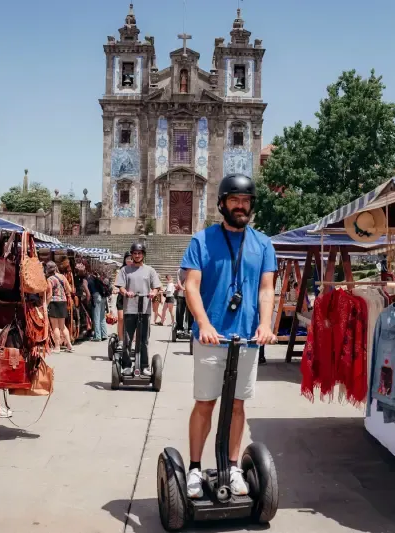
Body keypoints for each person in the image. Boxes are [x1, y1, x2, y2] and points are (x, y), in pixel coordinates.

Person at [181, 173, 277, 499]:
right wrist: (204, 324)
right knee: (205, 403)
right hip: (212, 338)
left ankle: (233, 466)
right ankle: (194, 468)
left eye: (246, 201)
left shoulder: (263, 244)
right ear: (222, 203)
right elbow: (190, 286)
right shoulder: (202, 241)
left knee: (237, 406)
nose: (241, 206)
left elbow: (267, 290)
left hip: (247, 339)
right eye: (235, 200)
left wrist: (265, 325)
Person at [115, 242, 161, 376]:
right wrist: (126, 292)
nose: (136, 255)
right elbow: (121, 286)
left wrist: (153, 292)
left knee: (143, 340)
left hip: (145, 309)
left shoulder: (150, 270)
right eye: (134, 253)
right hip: (130, 309)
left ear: (143, 255)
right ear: (132, 254)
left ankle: (144, 366)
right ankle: (127, 365)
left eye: (139, 253)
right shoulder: (125, 270)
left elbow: (156, 286)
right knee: (128, 339)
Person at [46, 261, 73, 353]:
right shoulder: (62, 276)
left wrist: (46, 304)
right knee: (63, 326)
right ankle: (69, 345)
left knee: (55, 327)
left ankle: (57, 347)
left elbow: (49, 295)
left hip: (54, 303)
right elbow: (69, 289)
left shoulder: (50, 279)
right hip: (63, 302)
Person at [115, 252, 133, 339]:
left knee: (134, 319)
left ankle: (133, 338)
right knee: (121, 318)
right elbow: (116, 283)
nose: (129, 260)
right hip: (122, 297)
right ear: (124, 259)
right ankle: (121, 338)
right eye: (128, 258)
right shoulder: (120, 270)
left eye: (131, 258)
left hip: (133, 297)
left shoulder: (136, 270)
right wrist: (116, 289)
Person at [88, 267, 108, 342]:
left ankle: (98, 336)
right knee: (102, 317)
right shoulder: (98, 279)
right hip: (103, 297)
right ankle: (104, 334)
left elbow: (87, 291)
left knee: (96, 317)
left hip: (96, 297)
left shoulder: (88, 279)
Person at [175, 267, 193, 333]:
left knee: (191, 312)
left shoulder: (193, 270)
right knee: (180, 311)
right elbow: (179, 281)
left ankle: (190, 327)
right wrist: (183, 288)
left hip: (191, 295)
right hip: (181, 294)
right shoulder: (180, 270)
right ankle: (180, 327)